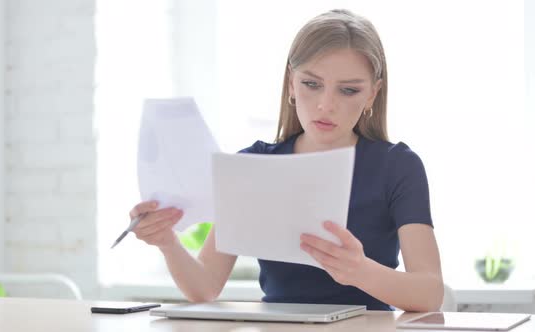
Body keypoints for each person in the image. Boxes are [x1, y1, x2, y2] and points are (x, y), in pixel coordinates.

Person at [129, 9, 443, 312]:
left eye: (348, 90)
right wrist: (167, 242)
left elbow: (430, 293)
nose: (325, 105)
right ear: (291, 83)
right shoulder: (253, 165)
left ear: (372, 95)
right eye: (312, 84)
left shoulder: (397, 166)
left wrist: (359, 271)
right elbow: (206, 286)